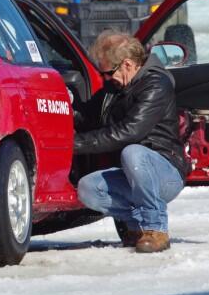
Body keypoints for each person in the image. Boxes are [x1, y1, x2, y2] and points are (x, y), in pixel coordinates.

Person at [72, 31, 189, 253]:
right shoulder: (115, 89)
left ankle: (156, 229)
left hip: (165, 171)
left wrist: (74, 144)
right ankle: (137, 224)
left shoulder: (156, 84)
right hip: (132, 175)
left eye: (108, 72)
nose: (106, 78)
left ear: (126, 64)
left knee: (132, 152)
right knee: (88, 188)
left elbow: (129, 132)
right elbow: (87, 116)